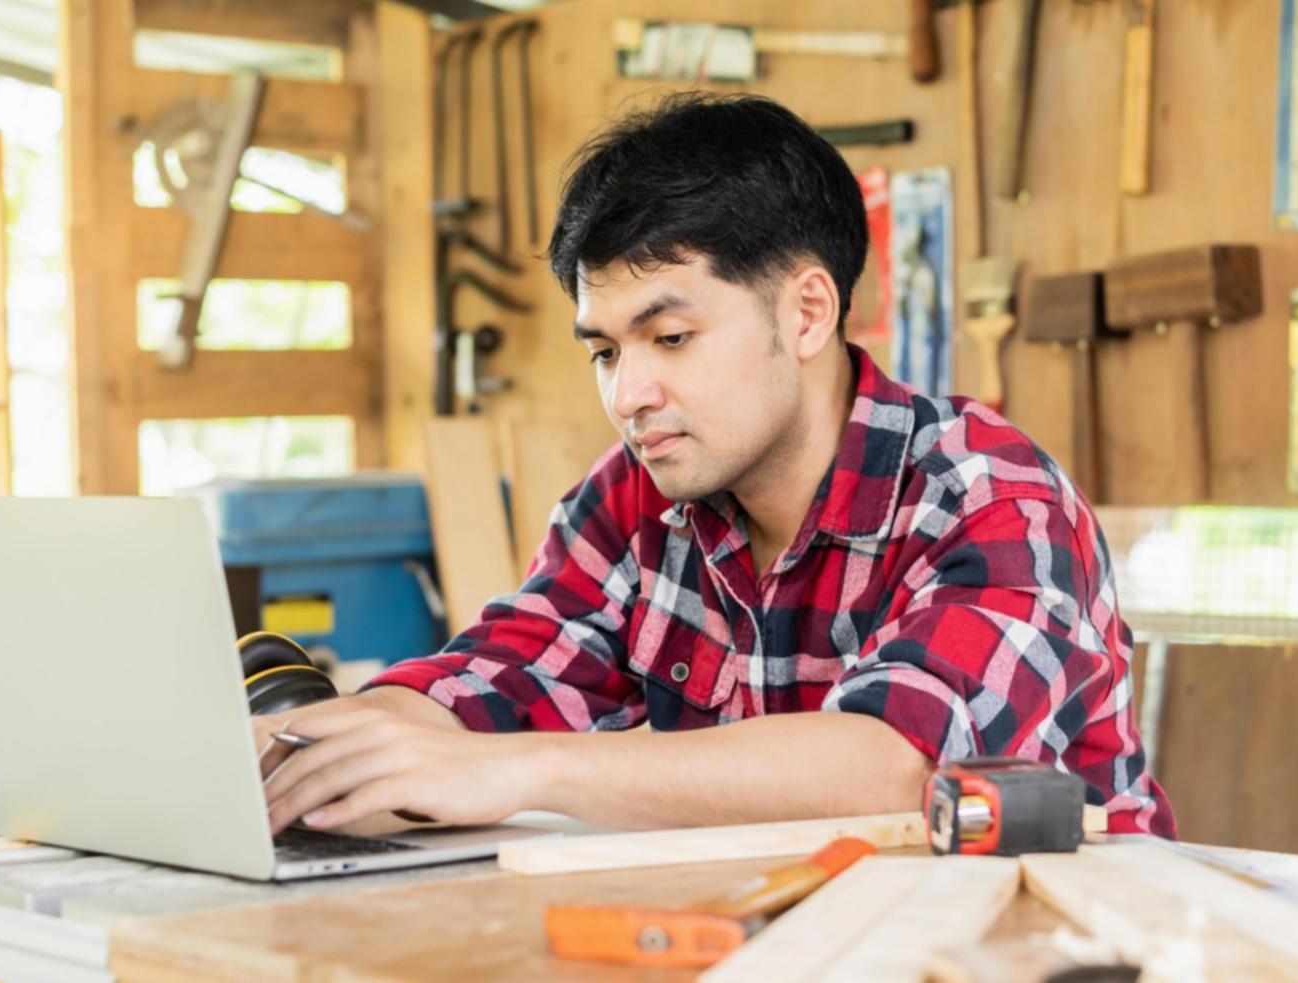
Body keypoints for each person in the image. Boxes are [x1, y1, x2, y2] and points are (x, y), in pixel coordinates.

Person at [259, 93, 1174, 839]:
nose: (628, 396)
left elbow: (894, 767)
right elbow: (497, 680)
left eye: (669, 336)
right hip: (795, 934)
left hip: (1058, 942)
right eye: (606, 353)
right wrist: (327, 741)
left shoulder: (992, 498)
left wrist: (519, 767)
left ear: (808, 313)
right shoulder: (633, 499)